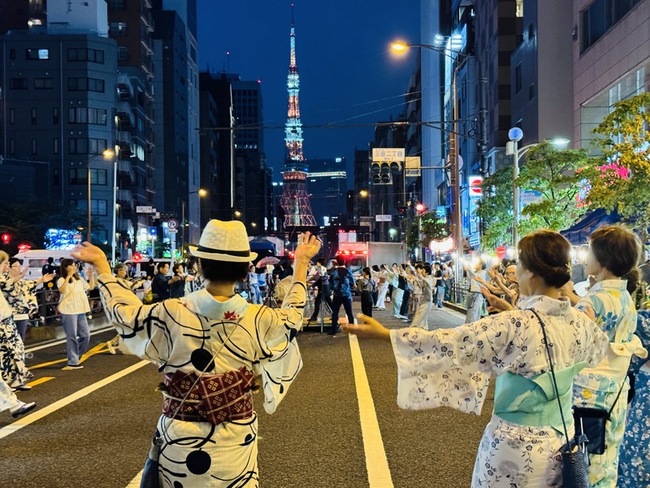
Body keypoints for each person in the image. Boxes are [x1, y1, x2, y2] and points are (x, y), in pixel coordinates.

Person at [343, 229, 610, 487]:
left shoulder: (514, 324)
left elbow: (453, 342)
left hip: (514, 445)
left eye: (519, 264)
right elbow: (598, 352)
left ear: (530, 272)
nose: (515, 271)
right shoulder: (580, 322)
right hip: (562, 440)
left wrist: (385, 335)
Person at [72, 220, 320, 487]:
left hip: (181, 435)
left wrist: (103, 268)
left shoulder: (169, 312)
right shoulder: (258, 318)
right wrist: (302, 263)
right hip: (236, 437)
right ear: (245, 270)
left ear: (200, 265)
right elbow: (293, 316)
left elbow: (126, 315)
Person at [561, 225, 647, 487]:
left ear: (604, 259)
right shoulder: (624, 297)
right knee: (607, 459)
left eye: (590, 251)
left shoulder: (594, 300)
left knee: (585, 461)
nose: (586, 257)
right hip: (616, 393)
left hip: (588, 394)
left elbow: (572, 343)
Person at [57, 258, 95, 370]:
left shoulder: (79, 279)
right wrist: (68, 276)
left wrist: (91, 276)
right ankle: (72, 362)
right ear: (65, 267)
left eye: (75, 265)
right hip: (68, 311)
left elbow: (91, 287)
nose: (74, 267)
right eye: (72, 265)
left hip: (80, 310)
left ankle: (75, 355)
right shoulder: (61, 279)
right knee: (72, 336)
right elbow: (62, 290)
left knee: (86, 335)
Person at [329, 256, 355, 335]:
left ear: (337, 262)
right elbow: (352, 283)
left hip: (337, 295)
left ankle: (334, 330)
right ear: (344, 262)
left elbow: (330, 284)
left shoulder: (334, 271)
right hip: (347, 294)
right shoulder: (348, 271)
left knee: (335, 312)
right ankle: (352, 330)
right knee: (349, 313)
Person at [306, 258, 332, 325]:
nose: (316, 264)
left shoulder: (321, 268)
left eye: (317, 262)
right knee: (329, 303)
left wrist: (309, 281)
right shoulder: (323, 268)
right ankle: (334, 315)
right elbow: (318, 278)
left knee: (317, 302)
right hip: (325, 288)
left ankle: (314, 317)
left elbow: (317, 277)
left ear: (319, 262)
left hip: (323, 288)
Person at [410, 263, 434, 329]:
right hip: (424, 299)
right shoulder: (425, 278)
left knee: (420, 314)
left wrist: (421, 278)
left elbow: (428, 284)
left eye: (423, 271)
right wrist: (416, 279)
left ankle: (414, 326)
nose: (421, 272)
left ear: (427, 272)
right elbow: (421, 286)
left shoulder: (429, 278)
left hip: (428, 300)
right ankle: (423, 327)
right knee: (422, 315)